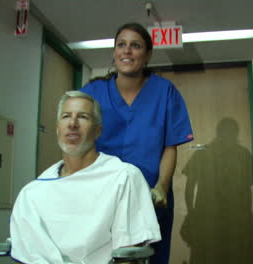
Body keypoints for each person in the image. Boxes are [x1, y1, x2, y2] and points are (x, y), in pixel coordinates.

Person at [80, 22, 194, 263]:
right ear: (114, 52)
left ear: (148, 55)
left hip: (150, 197)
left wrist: (162, 186)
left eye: (135, 45)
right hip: (102, 196)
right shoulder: (93, 92)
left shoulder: (164, 91)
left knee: (149, 257)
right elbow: (79, 142)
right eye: (121, 45)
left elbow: (170, 146)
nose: (127, 51)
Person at [10, 91, 161, 264]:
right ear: (58, 128)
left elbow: (130, 253)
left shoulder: (123, 177)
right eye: (66, 116)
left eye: (83, 117)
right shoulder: (32, 193)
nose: (73, 124)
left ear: (97, 131)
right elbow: (26, 253)